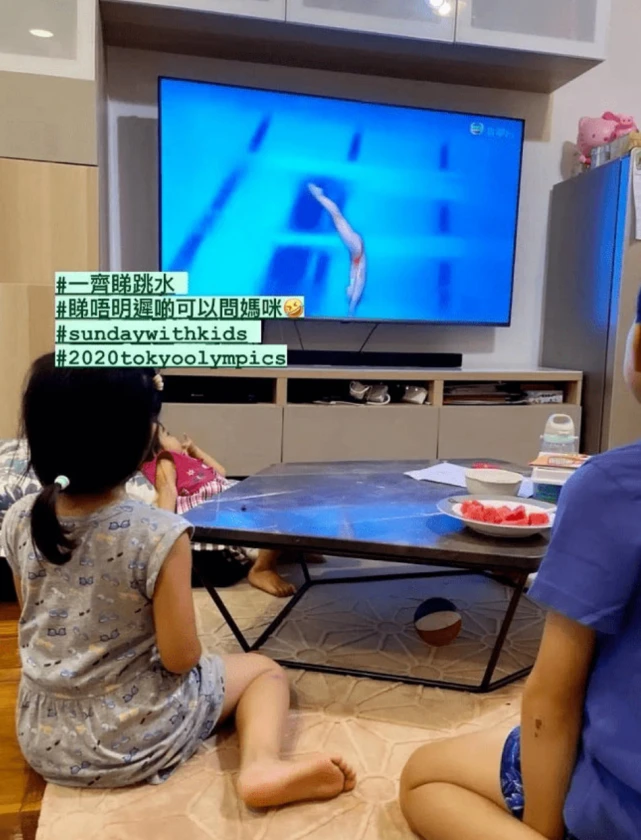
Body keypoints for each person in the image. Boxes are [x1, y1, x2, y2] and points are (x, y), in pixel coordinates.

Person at [0, 354, 356, 802]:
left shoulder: (19, 518)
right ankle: (261, 766)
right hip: (134, 737)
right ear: (141, 442)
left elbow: (33, 620)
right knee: (264, 671)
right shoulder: (160, 533)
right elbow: (181, 659)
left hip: (44, 738)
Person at [398, 309, 641, 839]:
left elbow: (550, 699)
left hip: (619, 808)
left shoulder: (611, 487)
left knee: (423, 775)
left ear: (639, 350)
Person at [142, 421, 297, 598]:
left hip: (230, 502)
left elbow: (220, 472)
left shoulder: (186, 460)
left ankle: (285, 550)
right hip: (216, 512)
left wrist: (195, 450)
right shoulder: (165, 460)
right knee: (276, 509)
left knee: (285, 502)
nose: (174, 437)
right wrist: (164, 538)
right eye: (168, 434)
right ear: (157, 449)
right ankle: (262, 568)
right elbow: (167, 490)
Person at [308, 183, 367, 316]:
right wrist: (351, 308)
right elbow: (359, 283)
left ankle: (321, 196)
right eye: (348, 294)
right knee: (337, 216)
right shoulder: (358, 280)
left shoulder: (353, 277)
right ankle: (319, 195)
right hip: (356, 246)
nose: (346, 292)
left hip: (356, 247)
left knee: (337, 217)